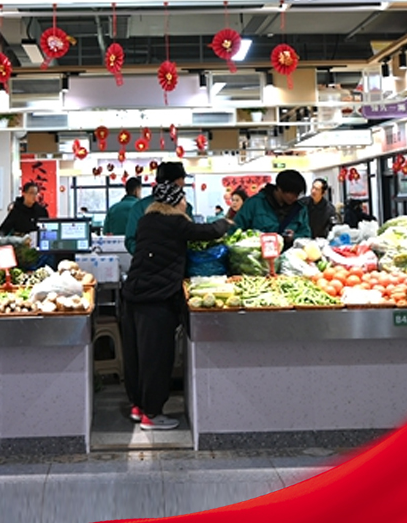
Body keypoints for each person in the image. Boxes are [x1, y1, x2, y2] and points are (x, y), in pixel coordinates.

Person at [122, 181, 231, 431]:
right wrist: (227, 221)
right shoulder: (175, 222)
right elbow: (208, 231)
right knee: (157, 356)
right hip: (157, 298)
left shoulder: (146, 221)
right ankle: (152, 414)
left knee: (136, 354)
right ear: (174, 201)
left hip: (134, 294)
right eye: (183, 198)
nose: (185, 202)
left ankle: (138, 406)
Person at [124, 161, 193, 253]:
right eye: (182, 179)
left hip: (149, 259)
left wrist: (143, 254)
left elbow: (130, 240)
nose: (184, 183)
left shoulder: (139, 207)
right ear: (171, 182)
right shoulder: (185, 207)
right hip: (176, 259)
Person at [233, 170, 310, 247]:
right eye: (292, 193)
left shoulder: (300, 209)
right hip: (257, 253)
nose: (295, 197)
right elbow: (235, 231)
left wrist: (294, 237)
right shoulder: (254, 203)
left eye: (298, 194)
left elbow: (307, 237)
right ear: (279, 189)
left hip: (290, 253)